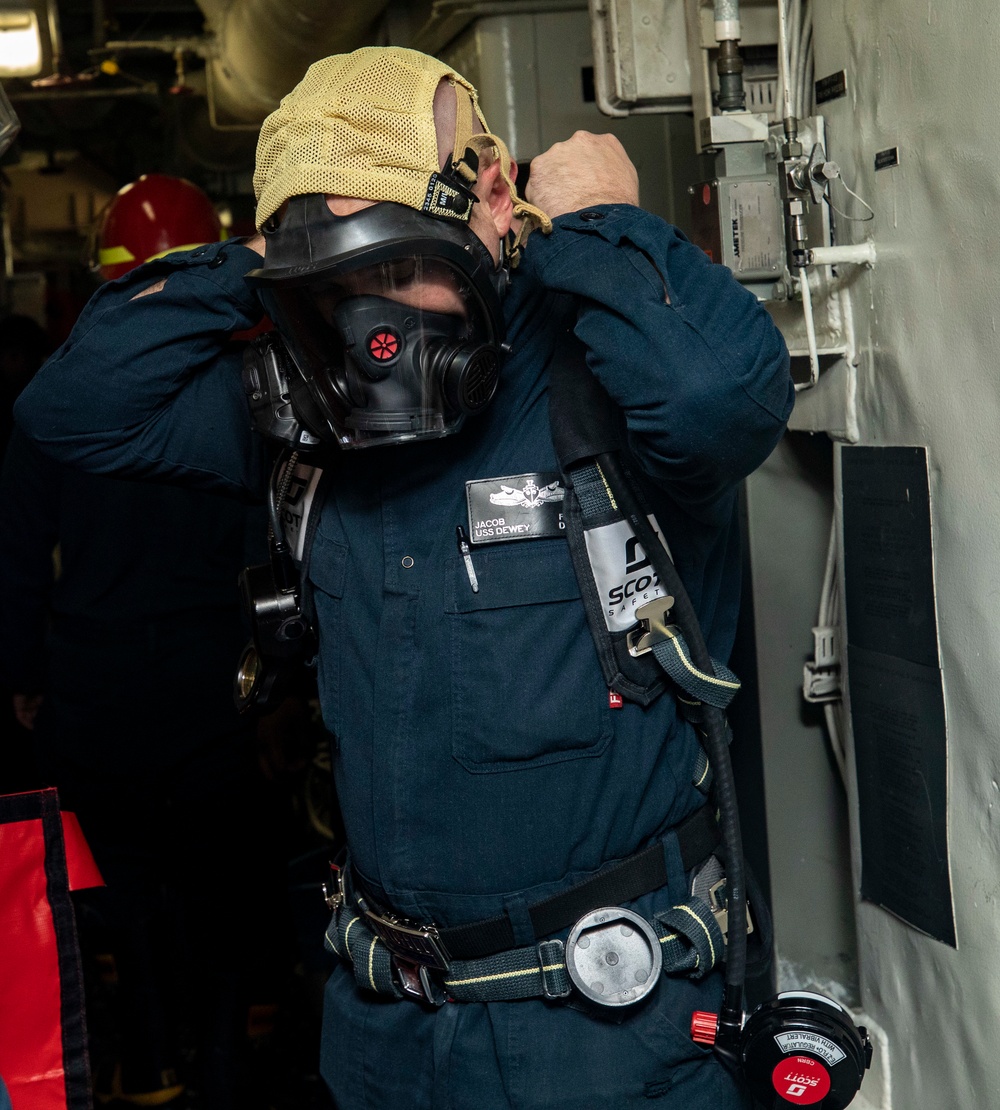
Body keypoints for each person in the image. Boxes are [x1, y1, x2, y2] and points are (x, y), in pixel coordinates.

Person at [14, 46, 794, 1110]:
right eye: (332, 282)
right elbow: (76, 410)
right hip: (388, 1036)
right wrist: (262, 253)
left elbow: (726, 399)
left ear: (489, 196)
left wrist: (605, 223)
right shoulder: (305, 409)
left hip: (608, 1041)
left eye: (395, 263)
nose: (372, 331)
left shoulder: (594, 380)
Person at [0, 175, 282, 1109]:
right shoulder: (249, 391)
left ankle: (149, 1057)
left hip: (96, 686)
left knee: (119, 893)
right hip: (216, 687)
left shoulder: (61, 399)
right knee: (224, 893)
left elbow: (16, 557)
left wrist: (23, 676)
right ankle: (225, 1068)